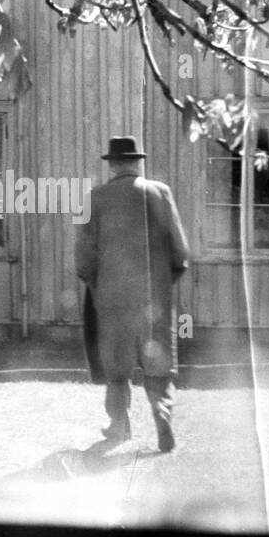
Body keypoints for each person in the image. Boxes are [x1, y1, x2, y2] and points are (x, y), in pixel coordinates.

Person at [75, 136, 190, 451]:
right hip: (154, 299)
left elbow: (83, 258)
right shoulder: (160, 193)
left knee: (117, 369)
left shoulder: (93, 198)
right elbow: (180, 253)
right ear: (138, 162)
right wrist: (164, 285)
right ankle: (162, 410)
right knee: (160, 366)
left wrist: (96, 284)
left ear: (111, 164)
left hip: (112, 300)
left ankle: (119, 424)